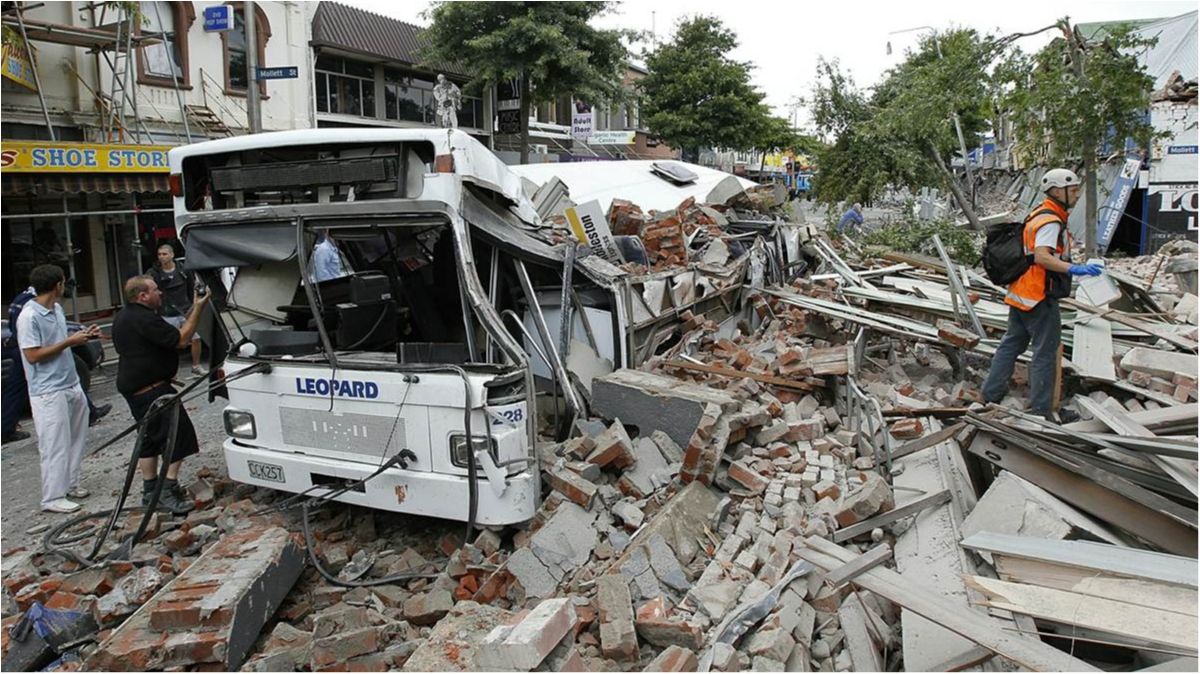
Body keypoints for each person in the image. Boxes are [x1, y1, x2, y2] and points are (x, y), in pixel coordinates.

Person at [982, 168, 1103, 420]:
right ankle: (1042, 411)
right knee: (1045, 353)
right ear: (1058, 191)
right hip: (1039, 296)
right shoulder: (1050, 221)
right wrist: (1075, 268)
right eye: (1074, 190)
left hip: (1022, 292)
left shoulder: (1040, 213)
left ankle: (990, 394)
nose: (1078, 194)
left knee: (1011, 344)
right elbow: (1042, 256)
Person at [112, 275, 210, 514]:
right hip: (152, 391)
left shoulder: (124, 316)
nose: (161, 293)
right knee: (179, 435)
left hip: (139, 388)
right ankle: (166, 489)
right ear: (143, 296)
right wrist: (198, 307)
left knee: (149, 439)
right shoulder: (143, 318)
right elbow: (182, 339)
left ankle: (149, 490)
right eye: (155, 290)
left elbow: (150, 346)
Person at [16, 265, 101, 513]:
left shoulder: (57, 309)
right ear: (58, 285)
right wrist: (69, 342)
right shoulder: (29, 316)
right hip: (47, 390)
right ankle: (51, 497)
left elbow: (61, 342)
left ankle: (70, 483)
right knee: (54, 443)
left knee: (76, 437)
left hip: (70, 382)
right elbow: (32, 355)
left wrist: (83, 335)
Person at [4, 286, 111, 445]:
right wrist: (68, 341)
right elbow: (35, 347)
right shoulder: (32, 308)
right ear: (56, 287)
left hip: (23, 349)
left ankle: (90, 413)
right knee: (66, 378)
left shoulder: (21, 298)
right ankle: (5, 428)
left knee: (16, 388)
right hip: (31, 353)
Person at [147, 243, 203, 375]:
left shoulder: (183, 270)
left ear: (172, 255)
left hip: (185, 310)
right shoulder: (154, 272)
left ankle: (196, 366)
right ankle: (168, 371)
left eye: (164, 254)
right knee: (169, 344)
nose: (162, 257)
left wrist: (192, 305)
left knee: (196, 338)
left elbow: (191, 287)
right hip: (167, 312)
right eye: (159, 254)